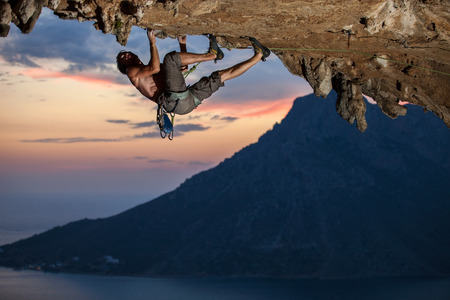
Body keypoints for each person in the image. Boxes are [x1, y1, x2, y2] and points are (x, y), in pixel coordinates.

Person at [116, 29, 270, 116]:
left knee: (221, 76)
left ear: (135, 55)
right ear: (125, 66)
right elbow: (154, 68)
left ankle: (258, 56)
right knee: (170, 59)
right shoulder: (131, 72)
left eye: (125, 53)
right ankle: (212, 55)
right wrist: (152, 42)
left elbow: (182, 69)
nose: (125, 55)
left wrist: (182, 44)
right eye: (122, 58)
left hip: (183, 103)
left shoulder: (148, 69)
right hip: (174, 100)